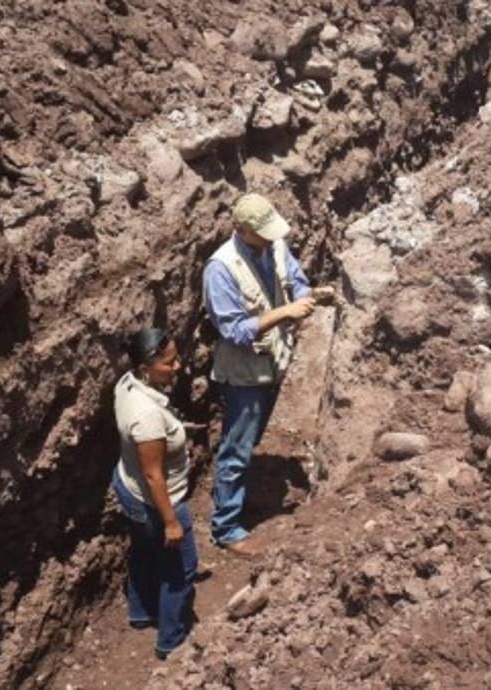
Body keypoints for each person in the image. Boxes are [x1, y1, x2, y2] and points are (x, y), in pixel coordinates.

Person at [202, 193, 332, 557]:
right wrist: (285, 312)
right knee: (237, 447)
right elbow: (235, 331)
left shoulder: (274, 245)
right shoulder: (221, 269)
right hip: (244, 372)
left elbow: (295, 277)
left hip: (272, 361)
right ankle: (226, 528)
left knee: (251, 437)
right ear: (242, 230)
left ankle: (236, 492)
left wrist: (309, 295)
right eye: (263, 233)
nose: (272, 238)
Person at [112, 328, 198, 660]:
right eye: (169, 362)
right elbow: (153, 474)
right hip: (156, 500)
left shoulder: (126, 384)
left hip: (127, 485)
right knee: (181, 569)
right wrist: (171, 522)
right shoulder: (147, 416)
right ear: (146, 366)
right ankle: (171, 643)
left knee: (144, 552)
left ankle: (140, 612)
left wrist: (174, 429)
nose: (178, 367)